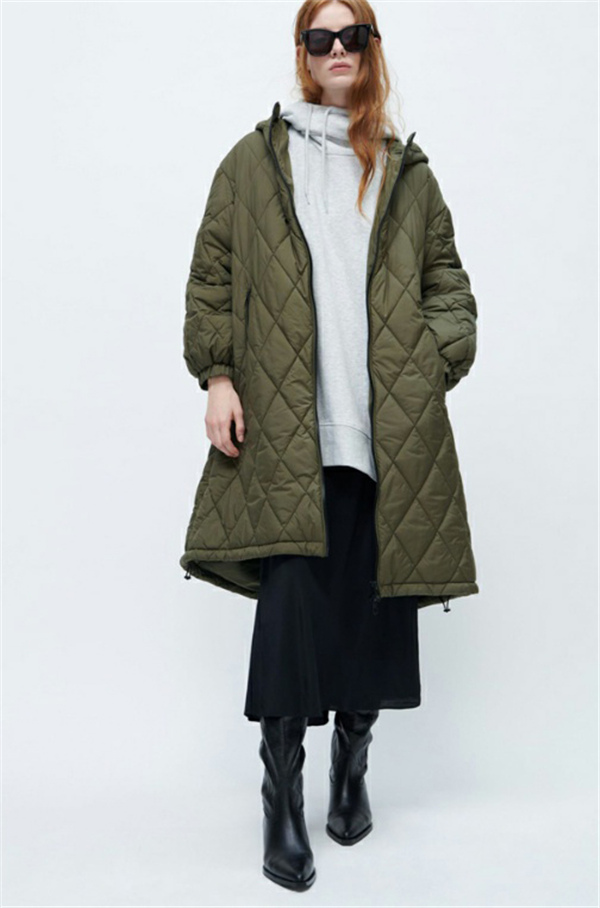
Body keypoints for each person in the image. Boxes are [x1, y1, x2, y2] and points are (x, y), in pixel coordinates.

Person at [180, 0, 479, 892]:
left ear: (370, 49)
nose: (337, 49)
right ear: (303, 53)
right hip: (287, 431)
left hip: (385, 433)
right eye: (321, 37)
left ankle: (353, 767)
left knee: (369, 612)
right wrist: (219, 375)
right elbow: (212, 276)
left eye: (353, 36)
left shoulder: (405, 170)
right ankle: (282, 798)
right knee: (289, 621)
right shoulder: (253, 163)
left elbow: (450, 289)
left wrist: (427, 363)